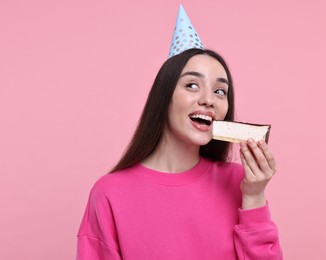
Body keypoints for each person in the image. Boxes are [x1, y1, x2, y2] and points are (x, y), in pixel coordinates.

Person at [77, 6, 283, 260]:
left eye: (220, 91)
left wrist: (254, 195)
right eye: (192, 85)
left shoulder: (240, 182)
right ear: (164, 98)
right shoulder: (109, 193)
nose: (209, 100)